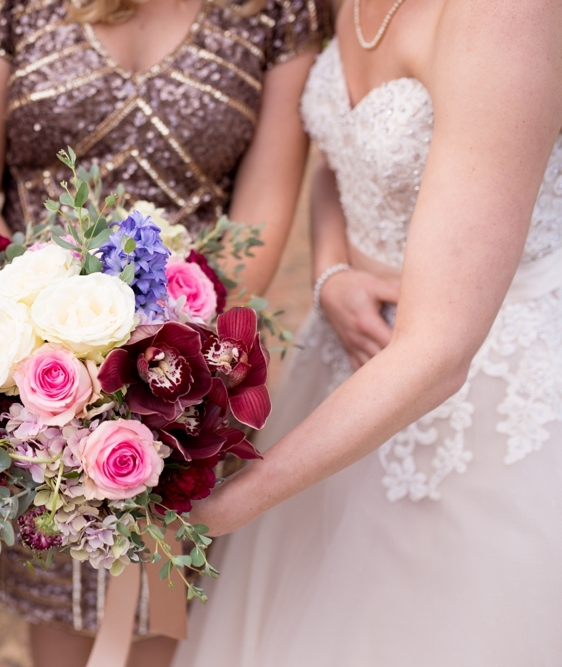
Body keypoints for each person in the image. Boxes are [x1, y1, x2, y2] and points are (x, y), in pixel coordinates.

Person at [0, 1, 330, 665]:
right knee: (58, 609)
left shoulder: (278, 12)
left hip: (189, 372)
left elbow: (261, 212)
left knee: (162, 618)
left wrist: (173, 344)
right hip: (42, 377)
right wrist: (50, 327)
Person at [175, 0, 562, 664]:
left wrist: (238, 500)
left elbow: (440, 351)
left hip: (483, 401)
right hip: (348, 360)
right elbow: (345, 152)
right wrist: (331, 272)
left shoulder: (507, 16)